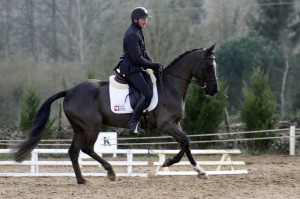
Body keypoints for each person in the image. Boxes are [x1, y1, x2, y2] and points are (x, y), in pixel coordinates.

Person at [119, 7, 161, 133]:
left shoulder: (137, 31)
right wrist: (152, 66)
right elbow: (137, 58)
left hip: (136, 67)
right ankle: (133, 122)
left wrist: (154, 65)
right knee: (148, 94)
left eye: (146, 19)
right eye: (143, 19)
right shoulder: (132, 34)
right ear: (135, 19)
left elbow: (143, 52)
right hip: (131, 69)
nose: (146, 21)